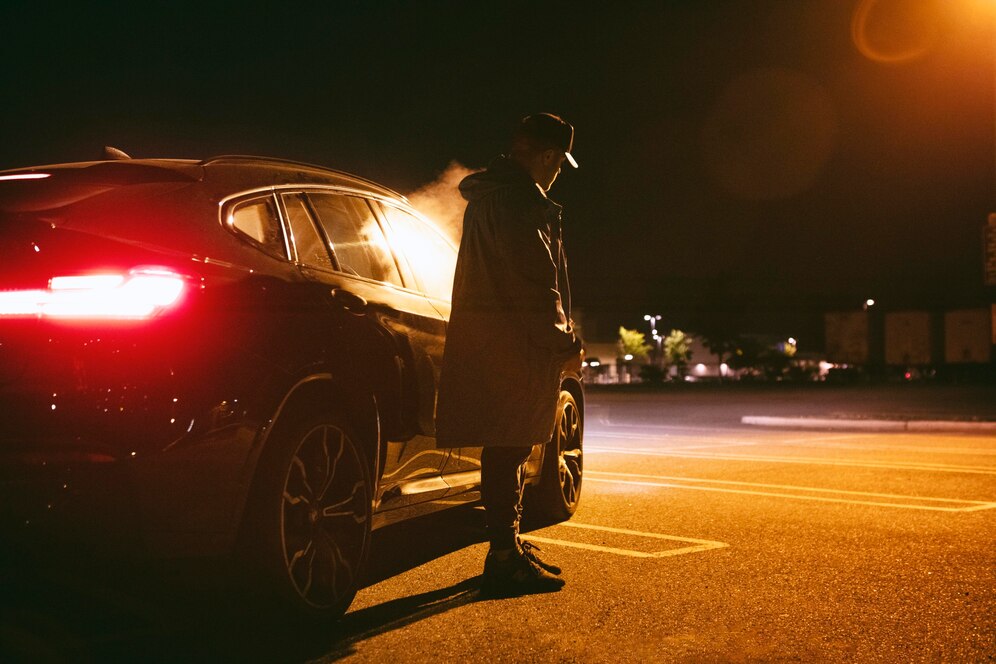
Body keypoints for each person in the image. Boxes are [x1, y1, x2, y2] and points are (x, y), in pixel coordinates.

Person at [436, 113, 582, 596]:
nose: (559, 171)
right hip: (515, 345)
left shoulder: (488, 199)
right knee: (509, 448)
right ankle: (503, 559)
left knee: (506, 447)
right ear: (546, 156)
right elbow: (534, 286)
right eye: (560, 161)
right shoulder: (520, 202)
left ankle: (509, 545)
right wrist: (566, 343)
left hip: (491, 339)